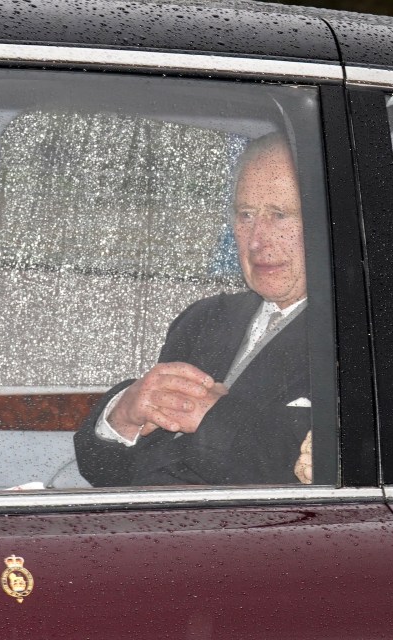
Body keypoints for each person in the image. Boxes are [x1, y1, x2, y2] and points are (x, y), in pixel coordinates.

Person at [74, 133, 312, 486]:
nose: (257, 239)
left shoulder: (364, 337)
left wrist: (213, 417)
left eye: (279, 215)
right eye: (245, 214)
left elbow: (315, 474)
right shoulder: (204, 319)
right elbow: (104, 473)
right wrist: (123, 414)